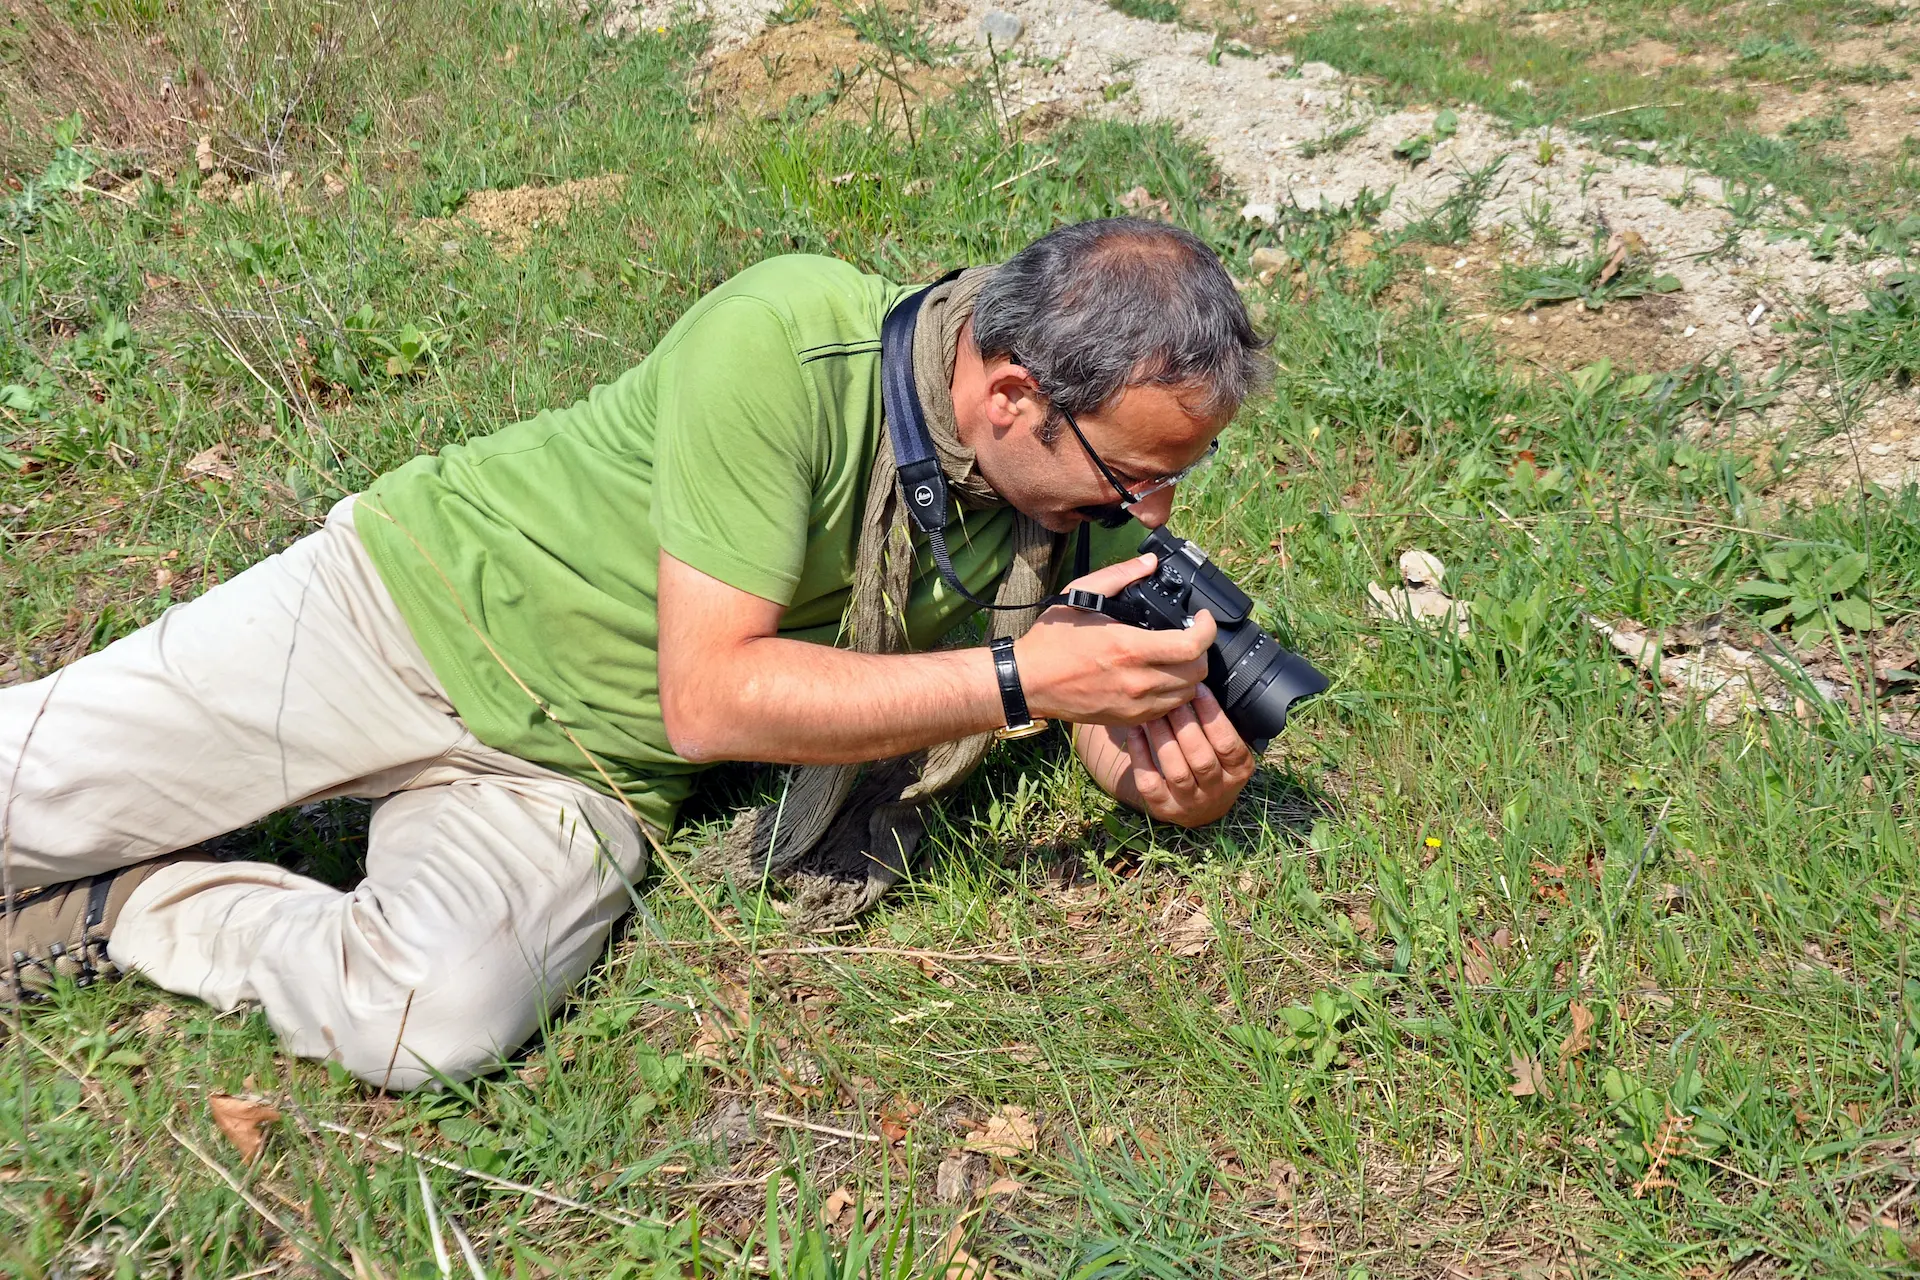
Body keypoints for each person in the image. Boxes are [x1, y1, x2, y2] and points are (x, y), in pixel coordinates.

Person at [1, 217, 1269, 1088]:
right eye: (1134, 474)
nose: (1144, 513)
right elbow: (714, 698)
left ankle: (125, 910)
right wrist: (1017, 684)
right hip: (411, 609)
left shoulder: (1065, 488)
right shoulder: (786, 337)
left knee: (431, 1017)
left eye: (1171, 481)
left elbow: (1089, 678)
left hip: (580, 778)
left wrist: (1165, 771)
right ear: (1011, 400)